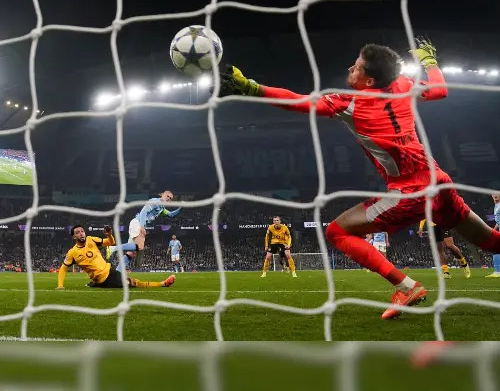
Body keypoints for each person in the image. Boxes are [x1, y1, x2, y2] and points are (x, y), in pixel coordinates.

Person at [216, 37, 500, 319]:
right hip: (440, 181)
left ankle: (407, 287)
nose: (351, 69)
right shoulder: (402, 85)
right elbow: (439, 90)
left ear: (370, 81)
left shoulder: (350, 103)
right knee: (491, 241)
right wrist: (428, 60)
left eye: (357, 67)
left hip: (410, 193)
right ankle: (408, 286)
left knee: (336, 232)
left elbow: (299, 101)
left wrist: (252, 88)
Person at [56, 225, 175, 289]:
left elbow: (110, 242)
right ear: (74, 237)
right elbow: (63, 268)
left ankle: (95, 283)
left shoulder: (90, 239)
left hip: (109, 271)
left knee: (121, 272)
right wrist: (60, 286)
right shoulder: (72, 252)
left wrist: (109, 235)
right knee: (134, 283)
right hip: (106, 277)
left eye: (82, 231)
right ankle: (163, 283)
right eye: (77, 232)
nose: (81, 233)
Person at [106, 190, 181, 270]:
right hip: (137, 223)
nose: (168, 198)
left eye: (170, 198)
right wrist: (142, 226)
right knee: (140, 247)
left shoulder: (161, 208)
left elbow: (171, 214)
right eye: (167, 196)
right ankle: (112, 248)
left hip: (137, 224)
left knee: (131, 253)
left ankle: (118, 271)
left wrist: (181, 208)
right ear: (162, 195)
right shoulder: (155, 201)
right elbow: (143, 212)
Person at [486, 194, 500, 278]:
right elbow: (498, 222)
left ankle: (498, 271)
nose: (495, 195)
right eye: (494, 194)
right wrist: (493, 231)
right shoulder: (496, 206)